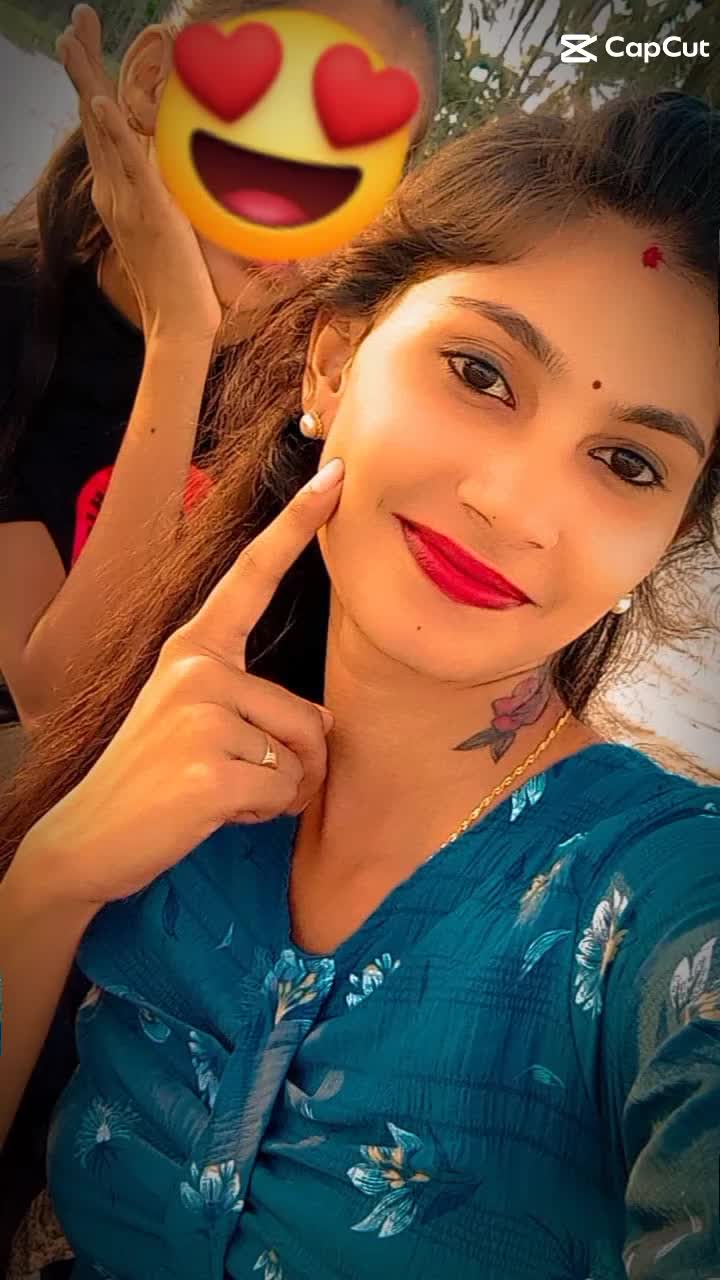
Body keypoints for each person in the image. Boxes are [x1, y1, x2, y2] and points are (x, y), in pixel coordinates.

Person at [1, 91, 719, 1279]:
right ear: (333, 363)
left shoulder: (656, 897)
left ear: (666, 537)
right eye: (481, 372)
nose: (513, 506)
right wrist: (50, 879)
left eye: (627, 462)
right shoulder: (176, 754)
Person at [0, 0, 440, 758]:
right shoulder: (14, 319)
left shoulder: (334, 384)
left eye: (358, 150)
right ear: (152, 82)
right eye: (268, 108)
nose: (291, 195)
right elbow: (57, 701)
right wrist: (180, 338)